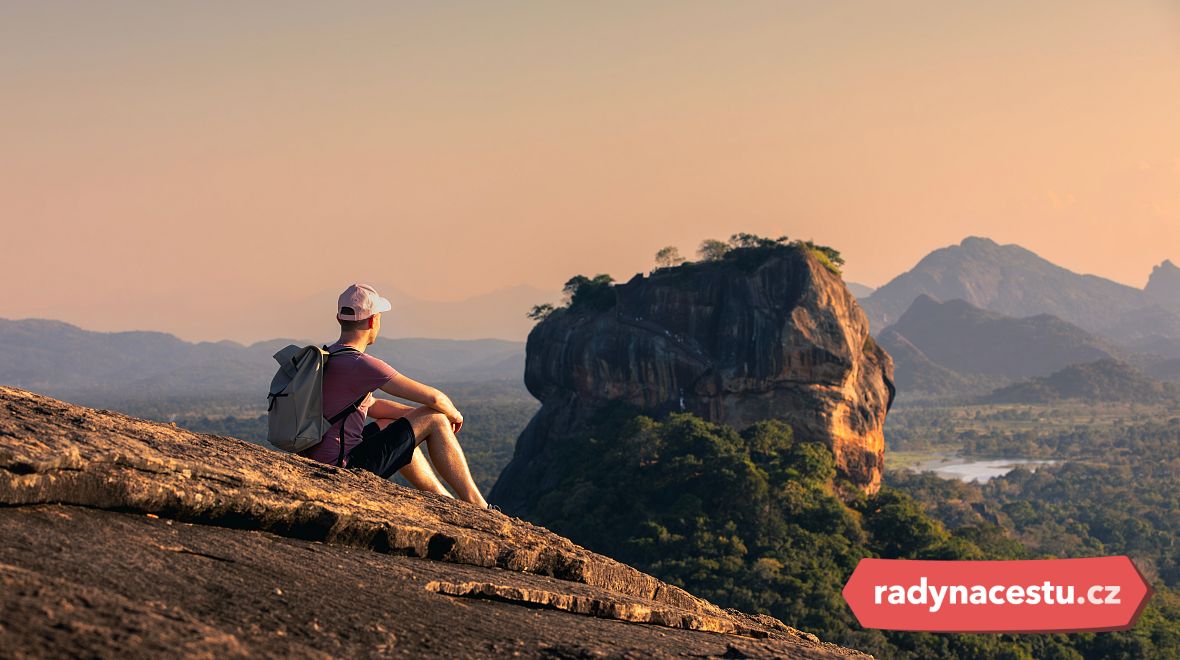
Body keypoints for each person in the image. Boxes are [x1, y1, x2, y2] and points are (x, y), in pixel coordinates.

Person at [299, 283, 490, 509]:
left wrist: (415, 419)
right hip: (342, 467)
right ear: (372, 321)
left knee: (391, 424)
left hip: (319, 460)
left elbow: (372, 406)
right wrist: (452, 415)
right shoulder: (361, 364)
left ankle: (445, 501)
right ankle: (479, 506)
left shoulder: (328, 357)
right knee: (436, 418)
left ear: (340, 319)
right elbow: (434, 399)